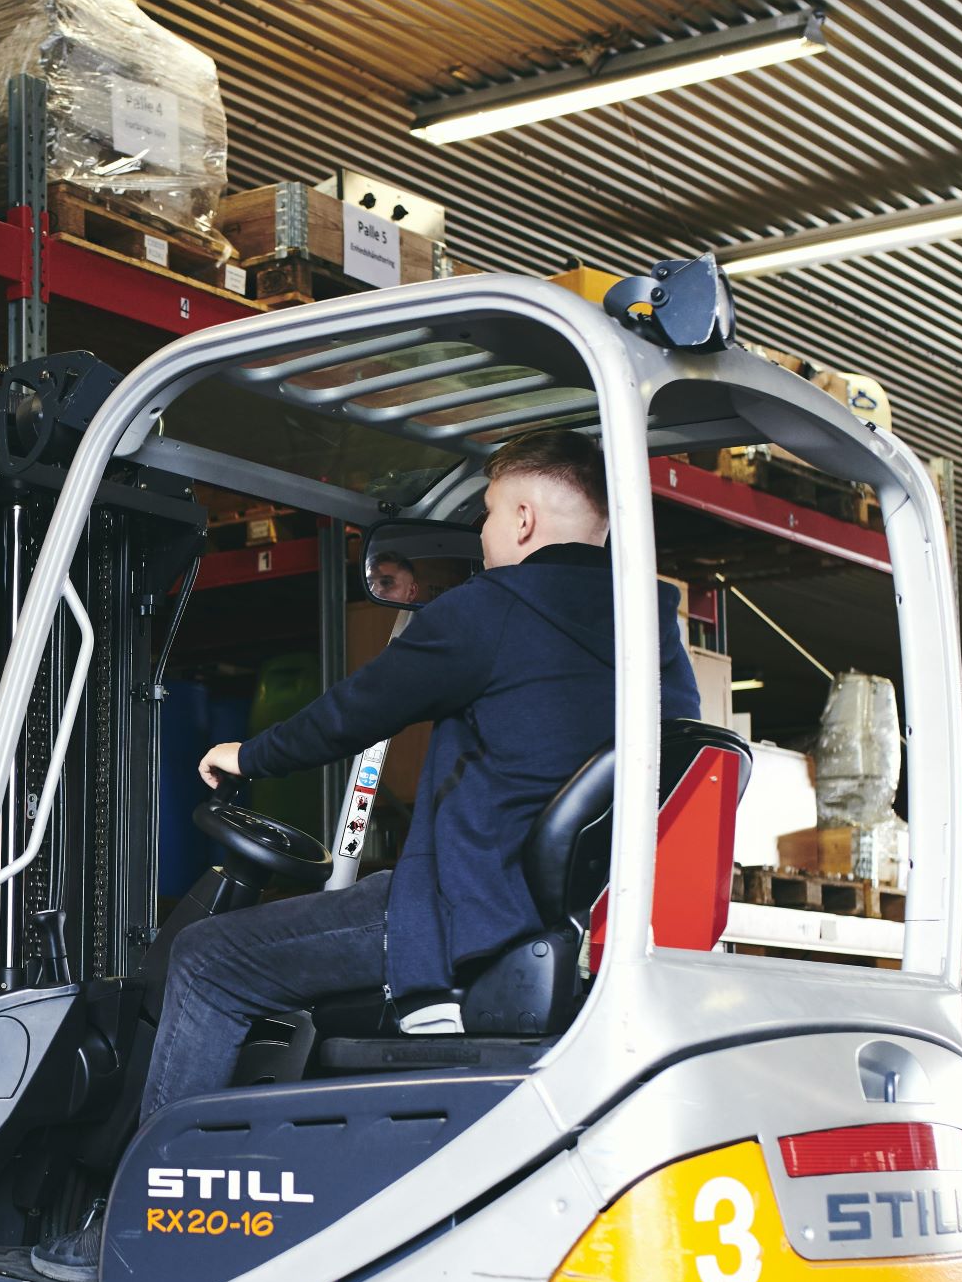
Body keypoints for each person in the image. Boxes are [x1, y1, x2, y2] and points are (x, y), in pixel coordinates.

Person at [144, 426, 700, 1124]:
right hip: (578, 915)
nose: (484, 537)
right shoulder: (654, 631)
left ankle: (156, 1176)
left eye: (488, 515)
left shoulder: (494, 606)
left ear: (523, 520)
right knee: (365, 895)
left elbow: (356, 711)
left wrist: (248, 756)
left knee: (205, 959)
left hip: (466, 916)